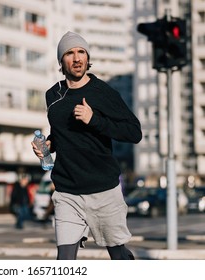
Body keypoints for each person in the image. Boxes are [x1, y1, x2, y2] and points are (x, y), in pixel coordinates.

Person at [31, 31, 142, 260]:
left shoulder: (102, 92)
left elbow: (134, 132)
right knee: (65, 259)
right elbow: (60, 134)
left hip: (103, 189)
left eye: (81, 52)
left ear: (88, 57)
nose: (77, 58)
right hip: (67, 191)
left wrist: (94, 120)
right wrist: (47, 146)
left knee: (118, 254)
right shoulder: (53, 95)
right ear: (61, 61)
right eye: (70, 53)